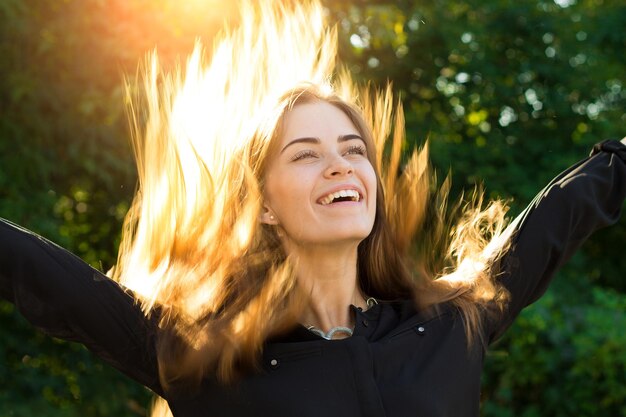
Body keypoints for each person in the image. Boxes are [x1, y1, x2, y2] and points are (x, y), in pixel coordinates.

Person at [1, 1, 625, 416]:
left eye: (354, 150)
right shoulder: (198, 353)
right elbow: (43, 275)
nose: (340, 165)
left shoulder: (448, 325)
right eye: (305, 155)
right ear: (263, 206)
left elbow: (560, 217)